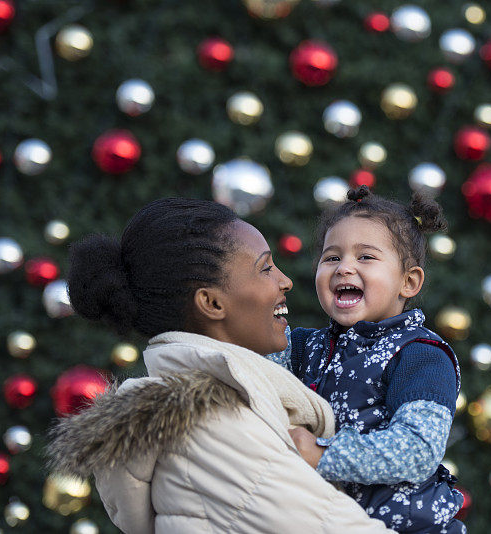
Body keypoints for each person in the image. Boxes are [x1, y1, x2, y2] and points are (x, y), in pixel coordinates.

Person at [46, 197, 394, 534]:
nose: (285, 281)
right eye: (265, 268)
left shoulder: (217, 411)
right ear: (211, 302)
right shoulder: (215, 425)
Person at [266, 186, 465, 533]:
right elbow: (248, 367)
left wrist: (324, 454)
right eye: (331, 257)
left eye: (366, 257)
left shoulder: (419, 355)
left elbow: (418, 449)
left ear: (409, 281)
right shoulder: (302, 346)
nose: (344, 268)